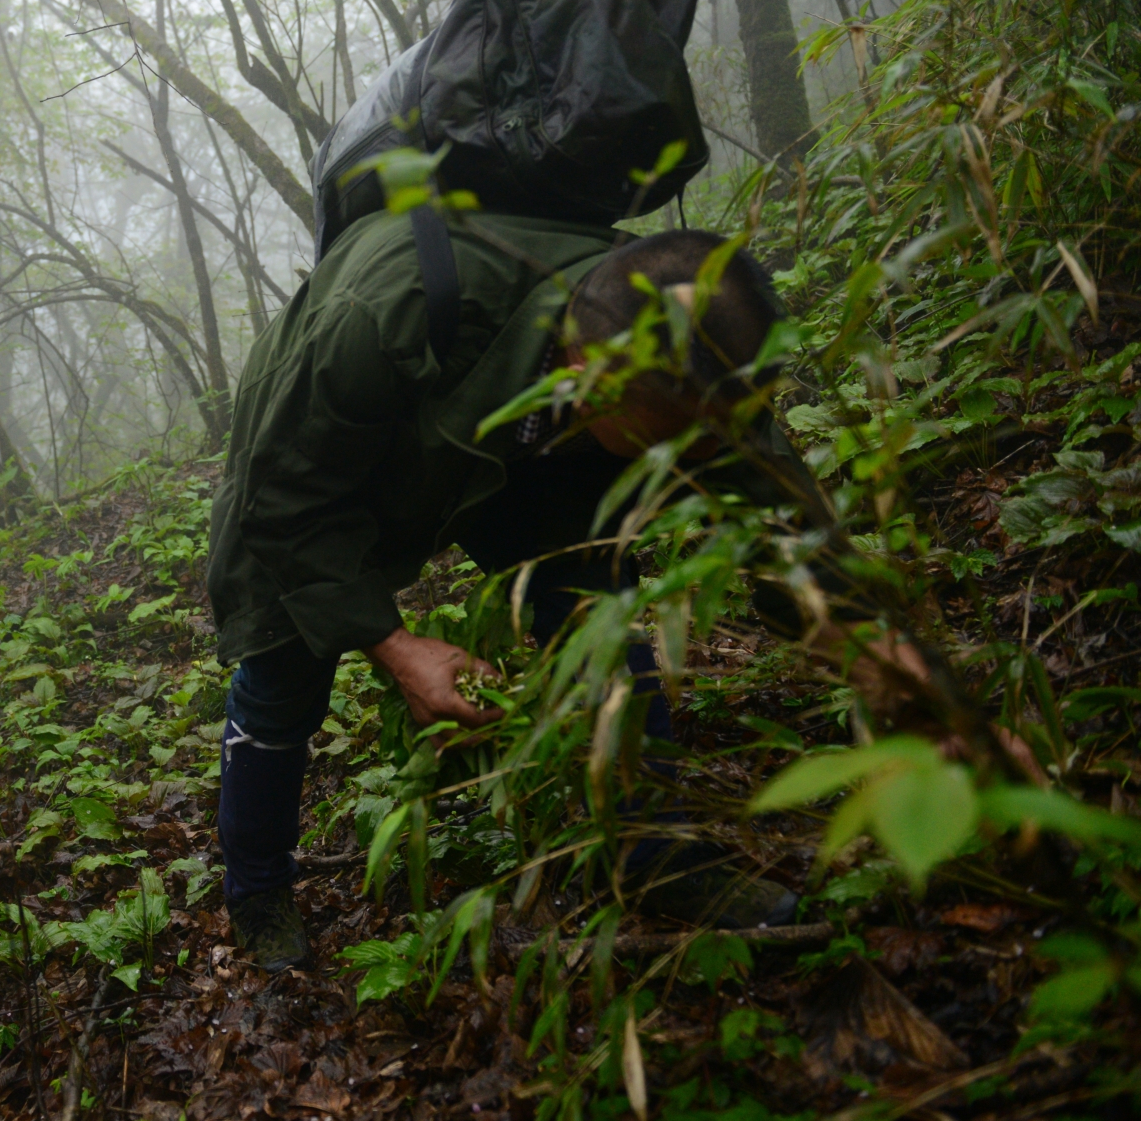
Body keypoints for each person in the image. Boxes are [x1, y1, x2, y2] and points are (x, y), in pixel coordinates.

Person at [206, 217, 933, 973]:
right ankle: (257, 889)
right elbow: (281, 499)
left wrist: (881, 653)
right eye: (668, 441)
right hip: (335, 454)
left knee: (600, 625)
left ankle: (651, 855)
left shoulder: (680, 353)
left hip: (542, 450)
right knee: (279, 662)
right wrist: (394, 646)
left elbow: (776, 512)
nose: (685, 464)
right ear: (591, 371)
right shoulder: (374, 318)